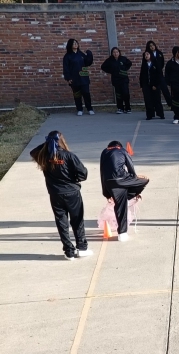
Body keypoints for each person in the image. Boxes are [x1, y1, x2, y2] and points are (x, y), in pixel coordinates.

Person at [30, 131, 92, 260]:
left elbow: (32, 152)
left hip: (55, 194)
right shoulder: (69, 156)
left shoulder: (44, 157)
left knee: (61, 222)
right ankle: (82, 247)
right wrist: (75, 179)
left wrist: (48, 144)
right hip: (72, 192)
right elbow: (83, 174)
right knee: (77, 220)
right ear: (61, 141)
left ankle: (69, 251)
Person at [99, 141, 149, 242]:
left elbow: (102, 172)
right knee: (145, 180)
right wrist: (134, 178)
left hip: (109, 182)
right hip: (122, 179)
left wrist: (106, 193)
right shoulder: (122, 150)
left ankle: (122, 233)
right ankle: (128, 197)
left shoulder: (104, 152)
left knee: (120, 207)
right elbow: (131, 167)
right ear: (119, 146)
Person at [62, 39, 94, 116]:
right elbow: (66, 68)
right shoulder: (67, 56)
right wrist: (68, 78)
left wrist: (89, 54)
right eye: (73, 43)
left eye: (76, 43)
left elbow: (88, 62)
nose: (75, 44)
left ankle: (89, 109)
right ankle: (79, 109)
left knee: (86, 93)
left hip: (84, 77)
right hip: (74, 78)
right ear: (70, 45)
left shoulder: (81, 54)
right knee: (77, 94)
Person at [101, 47, 132, 114]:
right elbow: (103, 67)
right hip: (116, 79)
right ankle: (120, 108)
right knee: (118, 94)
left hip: (124, 79)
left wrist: (125, 69)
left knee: (126, 93)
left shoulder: (123, 59)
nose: (115, 53)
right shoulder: (109, 60)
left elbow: (129, 63)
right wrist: (111, 71)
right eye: (114, 52)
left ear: (119, 52)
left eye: (117, 52)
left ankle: (128, 108)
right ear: (112, 53)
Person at [146, 40, 172, 108]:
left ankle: (170, 104)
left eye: (153, 45)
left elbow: (162, 63)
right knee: (155, 92)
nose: (152, 47)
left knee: (165, 90)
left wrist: (159, 69)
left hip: (160, 74)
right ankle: (156, 106)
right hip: (153, 76)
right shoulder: (148, 54)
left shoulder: (159, 53)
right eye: (150, 46)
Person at [139, 51, 165, 120]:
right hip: (146, 85)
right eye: (145, 55)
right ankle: (150, 115)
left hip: (155, 85)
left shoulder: (155, 63)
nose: (146, 56)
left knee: (157, 100)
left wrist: (155, 85)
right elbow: (142, 75)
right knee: (148, 100)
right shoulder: (144, 65)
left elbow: (159, 75)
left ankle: (160, 114)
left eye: (147, 54)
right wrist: (142, 85)